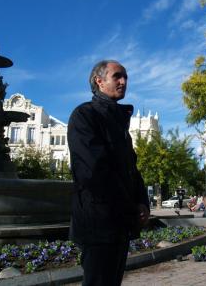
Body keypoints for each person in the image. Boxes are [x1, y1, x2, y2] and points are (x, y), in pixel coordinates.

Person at [68, 60, 150, 286]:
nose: (124, 82)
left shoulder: (120, 124)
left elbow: (132, 169)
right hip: (98, 222)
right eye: (117, 76)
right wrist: (131, 206)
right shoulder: (85, 115)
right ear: (99, 81)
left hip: (120, 223)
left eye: (126, 77)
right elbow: (93, 172)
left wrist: (142, 202)